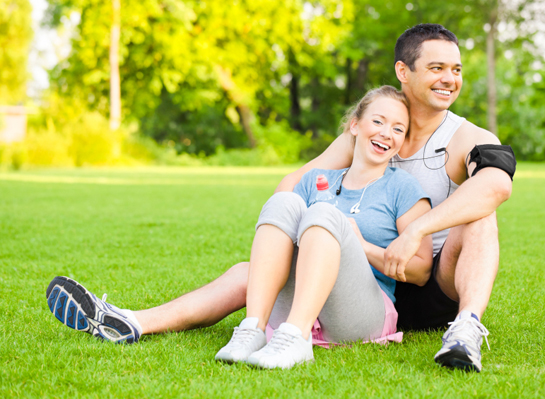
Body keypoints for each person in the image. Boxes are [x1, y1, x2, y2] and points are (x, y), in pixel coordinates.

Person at [46, 23, 515, 373]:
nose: (449, 79)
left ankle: (467, 328)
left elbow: (497, 184)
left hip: (429, 283)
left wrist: (416, 230)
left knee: (481, 212)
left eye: (455, 70)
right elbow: (292, 187)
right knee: (253, 270)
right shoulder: (367, 132)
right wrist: (294, 248)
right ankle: (131, 321)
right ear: (403, 71)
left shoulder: (464, 136)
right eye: (436, 68)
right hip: (353, 279)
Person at [213, 86, 431, 369]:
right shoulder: (314, 179)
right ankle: (253, 329)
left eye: (398, 129)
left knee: (324, 213)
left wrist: (361, 245)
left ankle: (297, 337)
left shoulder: (403, 187)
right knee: (284, 202)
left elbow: (422, 271)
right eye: (378, 121)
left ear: (402, 140)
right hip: (296, 300)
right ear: (355, 125)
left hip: (360, 313)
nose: (386, 133)